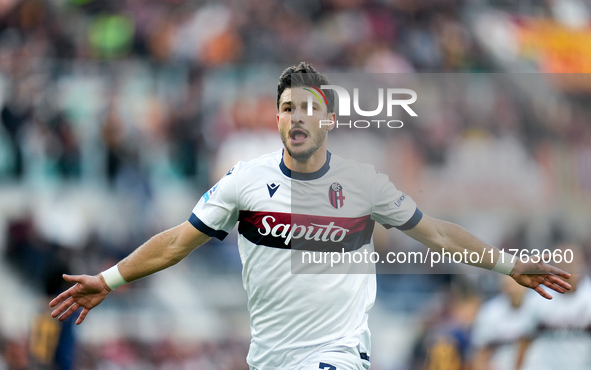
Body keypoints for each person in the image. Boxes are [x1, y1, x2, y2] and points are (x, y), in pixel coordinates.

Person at [50, 63, 571, 370]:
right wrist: (110, 278)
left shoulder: (363, 184)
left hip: (337, 355)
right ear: (277, 118)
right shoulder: (245, 182)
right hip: (270, 359)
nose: (297, 117)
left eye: (308, 107)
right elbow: (176, 243)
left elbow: (436, 233)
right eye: (287, 108)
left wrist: (509, 266)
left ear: (329, 118)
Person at [470, 276, 529, 370]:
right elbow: (479, 356)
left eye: (517, 284)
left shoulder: (541, 307)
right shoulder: (489, 312)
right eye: (508, 285)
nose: (512, 289)